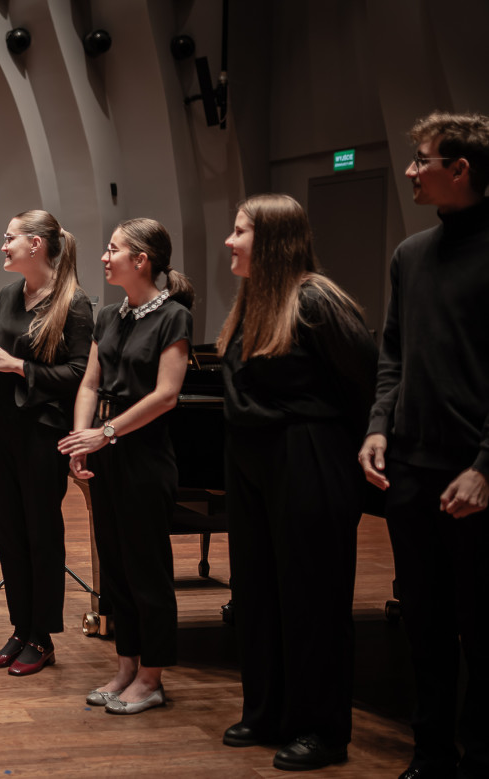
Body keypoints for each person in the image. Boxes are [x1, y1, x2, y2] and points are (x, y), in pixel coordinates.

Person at [217, 194, 377, 771]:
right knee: (258, 592)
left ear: (272, 241)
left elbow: (367, 381)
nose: (229, 241)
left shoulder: (316, 299)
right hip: (256, 460)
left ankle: (322, 730)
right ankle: (269, 711)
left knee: (313, 600)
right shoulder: (254, 299)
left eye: (240, 231)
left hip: (306, 457)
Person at [358, 111, 489, 779]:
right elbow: (393, 354)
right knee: (425, 624)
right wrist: (379, 424)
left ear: (460, 168)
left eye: (422, 160)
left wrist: (485, 466)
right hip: (412, 466)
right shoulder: (409, 255)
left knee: (481, 628)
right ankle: (431, 753)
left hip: (475, 474)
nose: (410, 170)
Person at [58, 218, 194, 715]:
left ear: (141, 260)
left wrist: (107, 432)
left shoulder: (174, 317)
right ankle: (125, 668)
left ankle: (151, 678)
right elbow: (90, 383)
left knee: (146, 570)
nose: (104, 256)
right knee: (115, 567)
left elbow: (167, 395)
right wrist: (81, 440)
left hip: (145, 454)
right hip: (107, 450)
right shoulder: (109, 315)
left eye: (113, 249)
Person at [0, 210, 93, 676]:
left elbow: (80, 374)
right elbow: (2, 354)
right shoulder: (7, 294)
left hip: (43, 432)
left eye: (10, 238)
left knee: (41, 533)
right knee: (8, 532)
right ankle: (20, 629)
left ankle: (42, 636)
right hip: (0, 427)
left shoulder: (74, 303)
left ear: (36, 244)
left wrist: (16, 365)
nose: (3, 246)